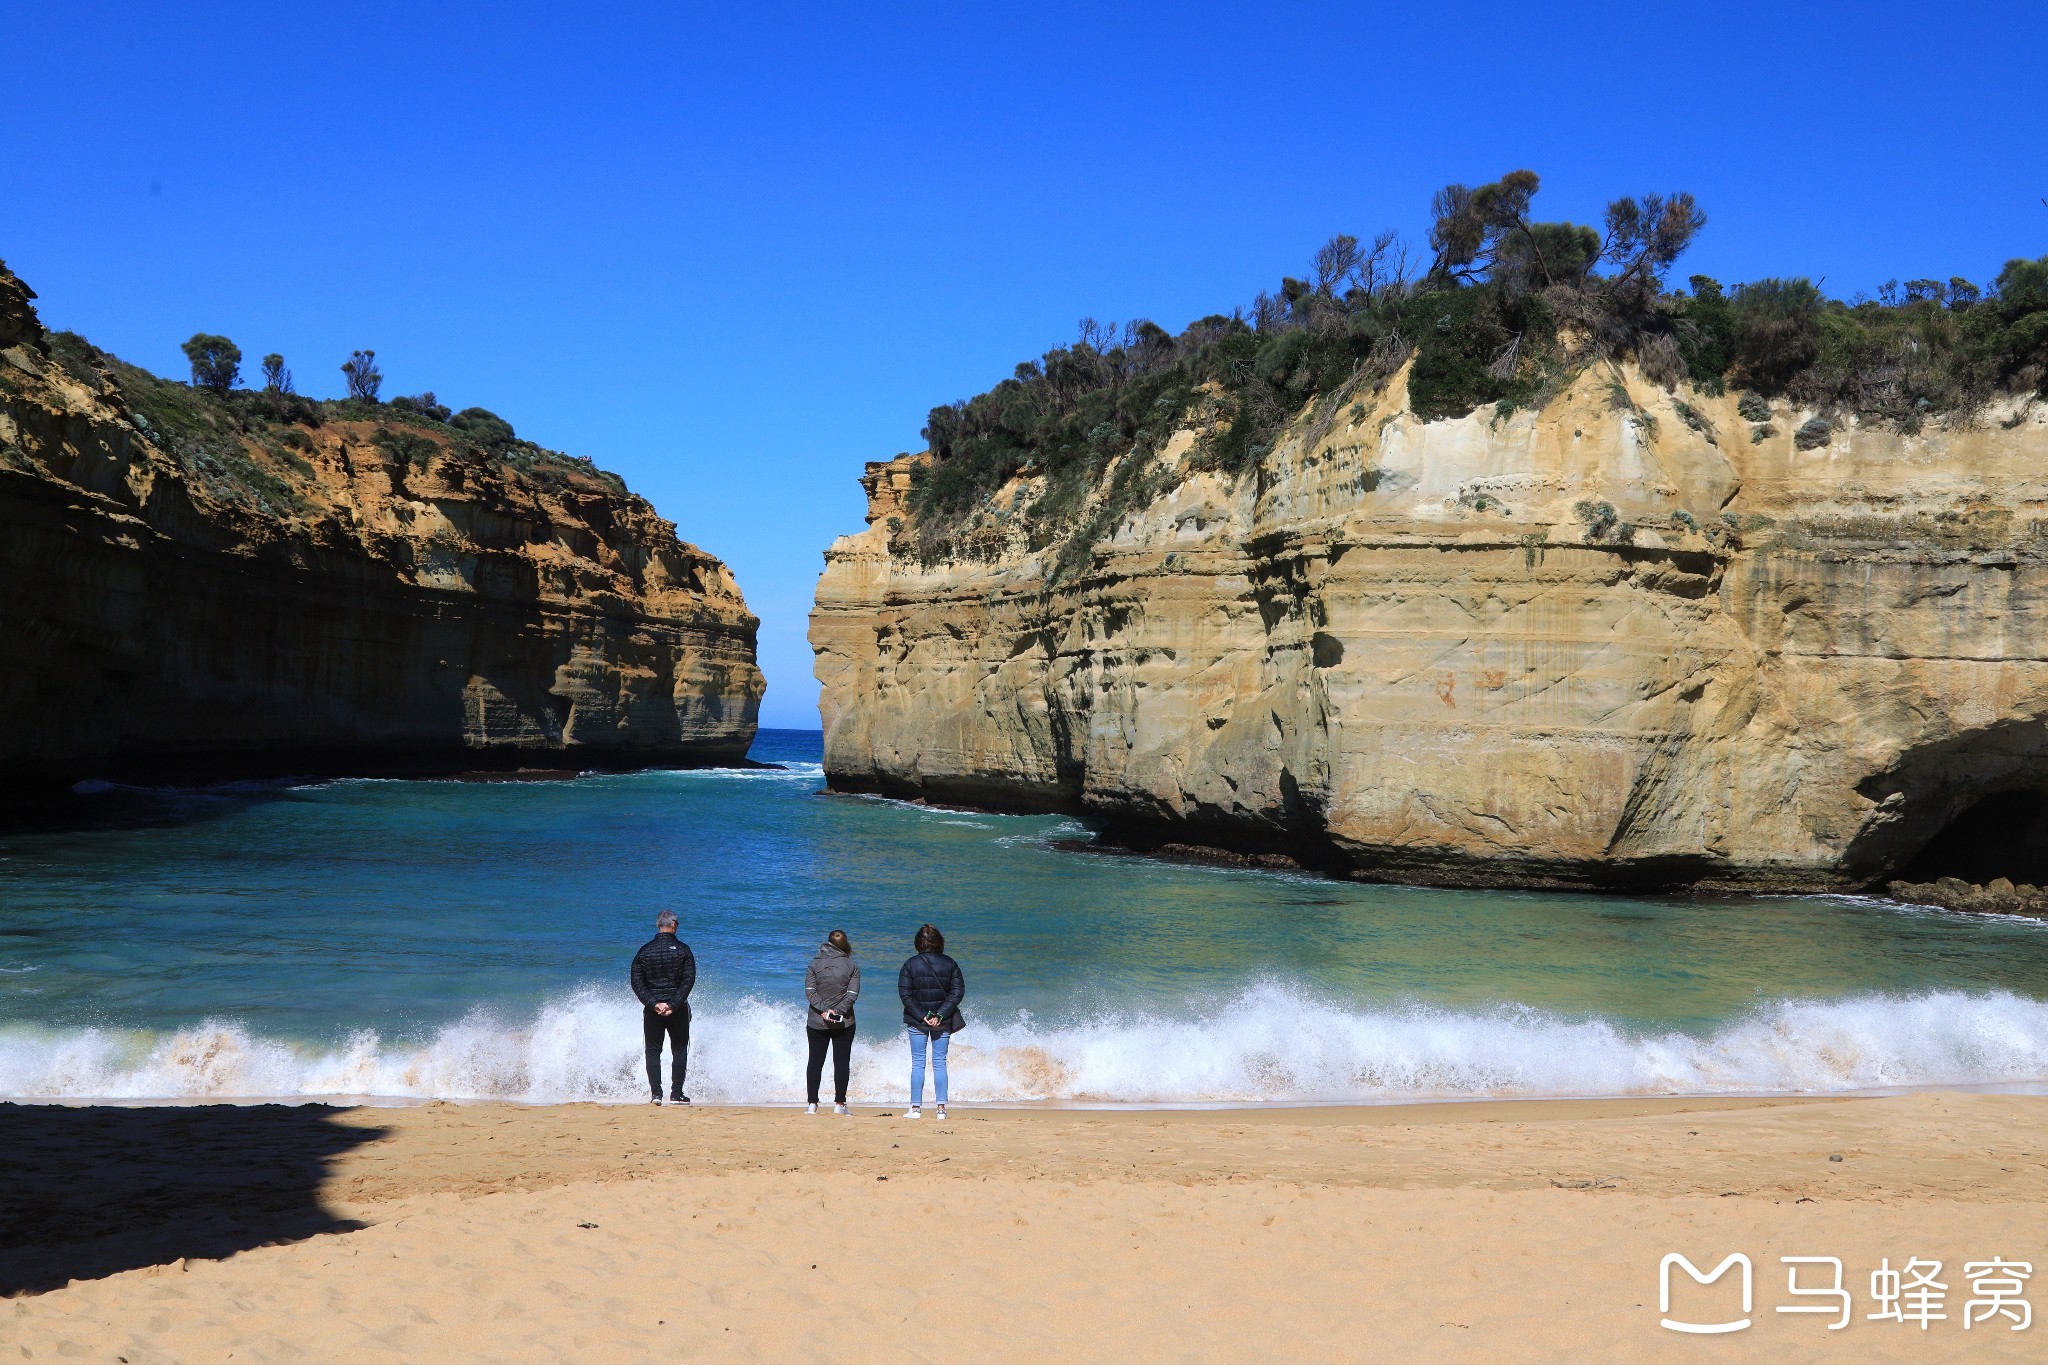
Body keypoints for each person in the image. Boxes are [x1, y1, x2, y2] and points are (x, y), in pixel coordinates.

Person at [897, 922, 965, 1121]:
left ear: (919, 943)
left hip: (917, 1020)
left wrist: (922, 1015)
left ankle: (916, 1108)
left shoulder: (910, 964)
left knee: (918, 1063)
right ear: (939, 942)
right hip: (942, 1021)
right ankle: (941, 1109)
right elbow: (957, 993)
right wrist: (940, 1015)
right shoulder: (950, 963)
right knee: (940, 1063)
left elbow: (905, 994)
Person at [630, 910, 696, 1105]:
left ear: (658, 925)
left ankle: (656, 1095)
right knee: (679, 1048)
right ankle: (676, 1094)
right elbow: (688, 981)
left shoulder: (644, 951)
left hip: (652, 1011)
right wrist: (673, 1004)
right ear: (674, 924)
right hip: (677, 1009)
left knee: (652, 1050)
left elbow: (637, 983)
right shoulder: (684, 950)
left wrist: (653, 1004)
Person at [803, 929, 861, 1115]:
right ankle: (839, 1104)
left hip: (817, 1020)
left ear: (827, 943)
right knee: (842, 1063)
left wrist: (824, 1011)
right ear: (845, 944)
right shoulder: (852, 965)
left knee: (815, 1061)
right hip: (844, 1022)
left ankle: (812, 1104)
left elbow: (810, 992)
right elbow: (852, 995)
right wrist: (837, 1012)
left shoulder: (814, 964)